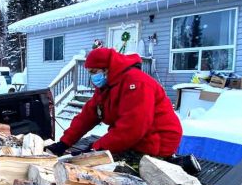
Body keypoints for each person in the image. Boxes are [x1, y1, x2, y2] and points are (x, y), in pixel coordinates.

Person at [46, 47, 183, 159]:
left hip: (157, 143)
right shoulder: (107, 87)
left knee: (99, 169)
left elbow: (132, 128)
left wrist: (96, 148)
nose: (93, 77)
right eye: (90, 72)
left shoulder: (136, 83)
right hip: (135, 140)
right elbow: (87, 116)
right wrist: (64, 143)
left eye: (94, 72)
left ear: (107, 69)